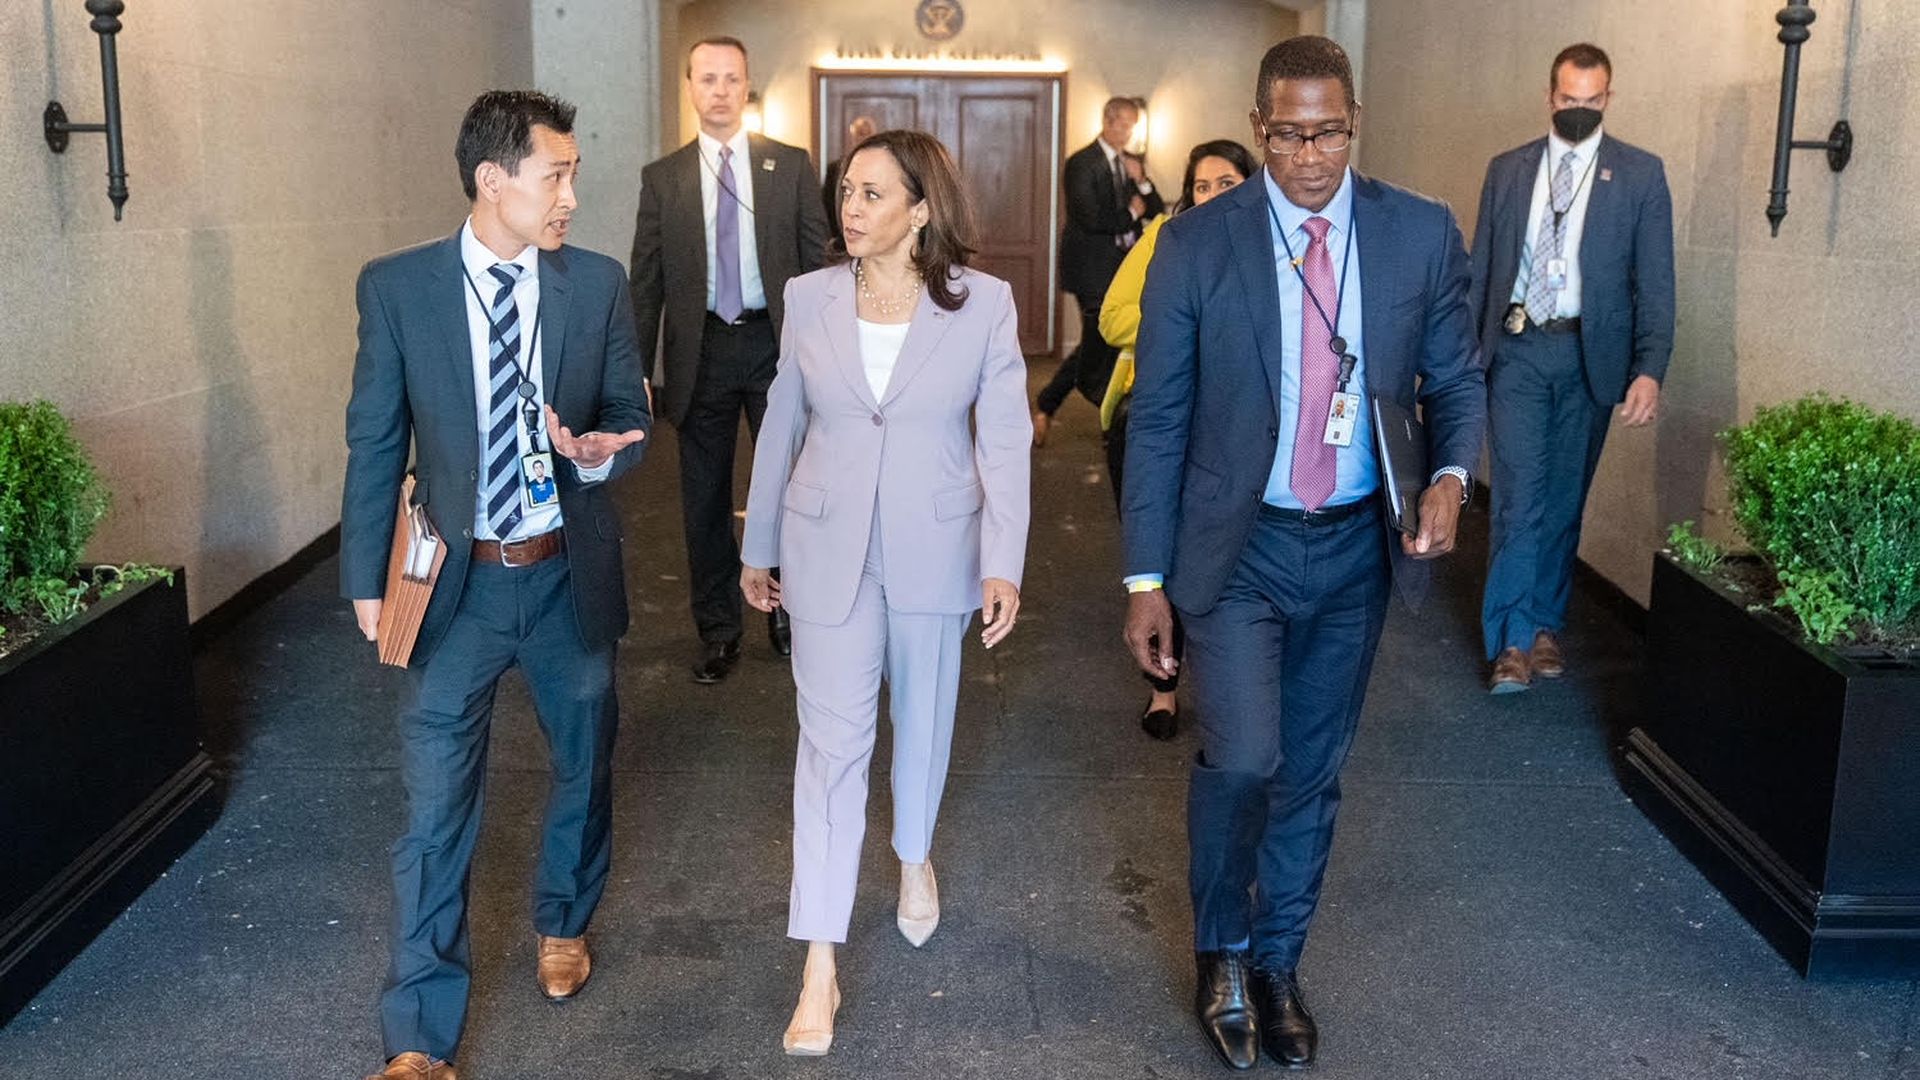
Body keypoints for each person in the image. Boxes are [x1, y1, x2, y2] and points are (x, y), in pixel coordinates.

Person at [1121, 37, 1486, 1071]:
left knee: (1313, 774)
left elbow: (1456, 381)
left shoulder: (1417, 234)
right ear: (1261, 121)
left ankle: (1278, 959)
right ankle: (1222, 950)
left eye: (1327, 131)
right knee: (1243, 757)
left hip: (1356, 552)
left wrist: (1452, 481)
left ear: (1354, 120)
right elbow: (1158, 419)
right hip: (1239, 551)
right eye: (1285, 133)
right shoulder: (1197, 244)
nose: (1307, 155)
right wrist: (1144, 578)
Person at [341, 90, 651, 1080]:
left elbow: (624, 414)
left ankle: (564, 917)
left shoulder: (595, 285)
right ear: (493, 181)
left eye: (573, 175)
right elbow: (375, 441)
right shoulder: (399, 290)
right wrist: (363, 579)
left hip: (565, 576)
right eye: (554, 175)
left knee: (584, 761)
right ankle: (420, 1037)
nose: (570, 196)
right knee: (435, 811)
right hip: (455, 593)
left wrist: (601, 452)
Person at [739, 129, 1031, 1057]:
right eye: (846, 193)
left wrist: (1004, 560)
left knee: (926, 721)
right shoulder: (809, 297)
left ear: (921, 209)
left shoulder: (983, 305)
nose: (849, 210)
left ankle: (912, 855)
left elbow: (1005, 440)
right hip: (826, 547)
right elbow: (784, 415)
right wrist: (760, 541)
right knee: (828, 752)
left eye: (870, 194)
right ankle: (817, 963)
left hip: (936, 546)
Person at [1470, 42, 1674, 693]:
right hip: (1520, 349)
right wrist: (1462, 366)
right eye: (1568, 100)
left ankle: (1543, 626)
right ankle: (1509, 639)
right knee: (1519, 499)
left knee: (1562, 501)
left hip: (1590, 356)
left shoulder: (1639, 176)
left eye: (1592, 101)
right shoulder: (1508, 170)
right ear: (1549, 95)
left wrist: (1649, 368)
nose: (1579, 110)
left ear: (1608, 98)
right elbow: (1482, 273)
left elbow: (1656, 282)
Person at [629, 35, 831, 684]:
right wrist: (634, 369)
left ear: (747, 87)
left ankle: (787, 609)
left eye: (731, 78)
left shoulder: (792, 167)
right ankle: (718, 630)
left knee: (791, 492)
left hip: (777, 346)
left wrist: (829, 356)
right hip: (702, 353)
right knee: (704, 501)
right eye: (707, 78)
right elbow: (647, 280)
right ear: (689, 87)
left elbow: (819, 268)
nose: (719, 90)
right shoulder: (662, 180)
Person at [1098, 138, 1257, 741]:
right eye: (1202, 185)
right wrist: (1184, 312)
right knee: (1160, 558)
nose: (1213, 196)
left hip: (1229, 431)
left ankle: (1226, 684)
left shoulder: (1273, 248)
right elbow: (1113, 319)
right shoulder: (1169, 239)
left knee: (1211, 559)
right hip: (1160, 417)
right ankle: (1163, 686)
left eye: (1228, 184)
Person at [1033, 96, 1165, 446]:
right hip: (1090, 266)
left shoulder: (1129, 164)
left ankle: (1057, 406)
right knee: (1098, 341)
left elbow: (1154, 208)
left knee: (1097, 344)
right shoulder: (1082, 162)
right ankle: (1094, 415)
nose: (1129, 132)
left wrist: (1143, 182)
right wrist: (1131, 215)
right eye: (1125, 124)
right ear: (1108, 120)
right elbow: (1088, 216)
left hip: (1120, 268)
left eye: (1133, 126)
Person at [821, 114, 878, 244]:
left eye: (867, 133)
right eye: (860, 134)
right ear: (852, 136)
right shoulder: (835, 169)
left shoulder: (887, 169)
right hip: (843, 240)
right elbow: (828, 207)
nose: (864, 138)